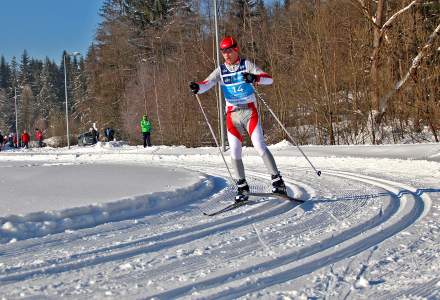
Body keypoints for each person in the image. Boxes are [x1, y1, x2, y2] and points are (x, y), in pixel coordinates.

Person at [189, 36, 287, 202]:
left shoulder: (246, 65)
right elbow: (207, 83)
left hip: (249, 112)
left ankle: (278, 182)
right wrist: (198, 87)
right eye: (223, 51)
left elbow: (269, 79)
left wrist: (254, 78)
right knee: (234, 150)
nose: (226, 54)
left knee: (259, 145)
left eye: (229, 51)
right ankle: (242, 188)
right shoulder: (221, 70)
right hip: (232, 115)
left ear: (236, 49)